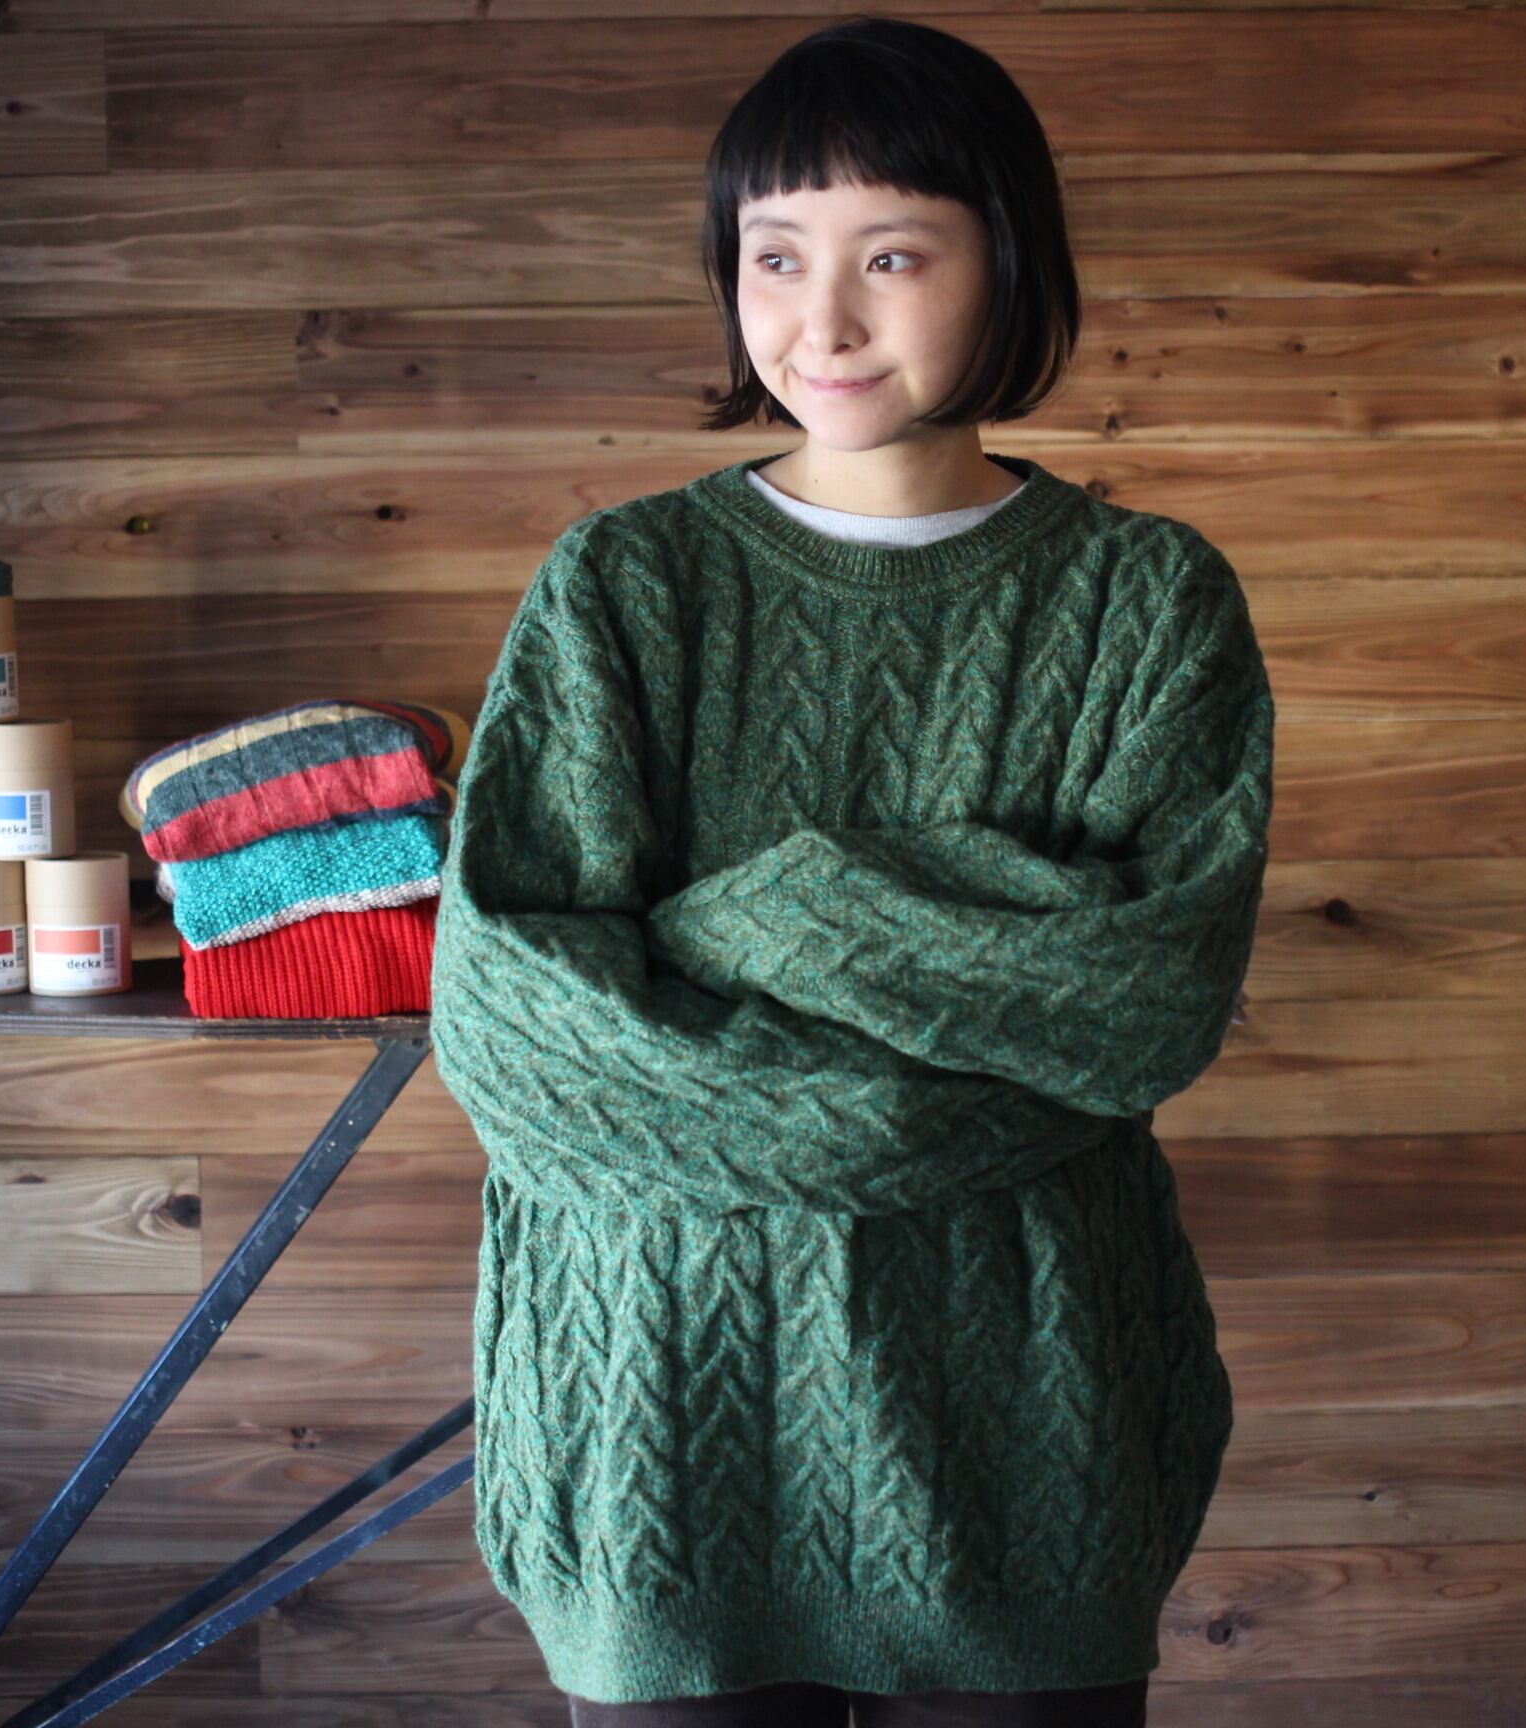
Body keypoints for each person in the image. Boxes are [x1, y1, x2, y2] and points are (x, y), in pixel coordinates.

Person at [427, 15, 1274, 1727]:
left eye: (892, 255)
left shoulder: (1147, 600)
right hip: (657, 1421)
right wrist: (957, 999)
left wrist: (749, 920)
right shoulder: (623, 587)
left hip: (1023, 1427)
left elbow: (1143, 1002)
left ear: (1008, 260)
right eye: (775, 256)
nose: (822, 321)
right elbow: (516, 1032)